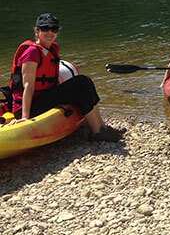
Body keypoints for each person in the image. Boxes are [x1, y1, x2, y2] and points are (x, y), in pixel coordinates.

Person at [10, 13, 124, 142]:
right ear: (36, 31)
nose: (50, 32)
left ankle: (102, 127)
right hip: (29, 107)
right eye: (45, 29)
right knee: (81, 82)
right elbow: (28, 86)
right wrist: (25, 117)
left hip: (42, 98)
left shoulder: (52, 49)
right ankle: (97, 132)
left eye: (54, 29)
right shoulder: (31, 52)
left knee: (85, 80)